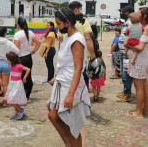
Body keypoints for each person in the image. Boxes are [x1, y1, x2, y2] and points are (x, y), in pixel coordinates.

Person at [48, 8, 91, 147]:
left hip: (71, 86)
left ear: (67, 23)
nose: (57, 26)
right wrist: (57, 77)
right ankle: (69, 144)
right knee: (54, 116)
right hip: (62, 82)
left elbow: (78, 68)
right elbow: (66, 63)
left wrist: (71, 94)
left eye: (59, 24)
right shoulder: (67, 37)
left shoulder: (77, 40)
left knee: (73, 125)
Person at [124, 7, 148, 119]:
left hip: (140, 60)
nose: (136, 14)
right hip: (142, 60)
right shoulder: (143, 27)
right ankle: (146, 109)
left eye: (138, 13)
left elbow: (140, 47)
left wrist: (128, 46)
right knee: (144, 85)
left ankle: (138, 112)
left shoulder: (146, 29)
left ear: (144, 16)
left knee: (139, 87)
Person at [13, 17, 41, 101]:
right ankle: (27, 96)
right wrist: (33, 52)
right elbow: (39, 42)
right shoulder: (30, 33)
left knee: (20, 77)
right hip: (28, 57)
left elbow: (16, 49)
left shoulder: (17, 34)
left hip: (20, 58)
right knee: (28, 76)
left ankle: (21, 95)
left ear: (18, 25)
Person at [4, 51, 30, 120]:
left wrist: (24, 77)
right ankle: (17, 112)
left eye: (8, 60)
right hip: (12, 83)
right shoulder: (11, 66)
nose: (7, 61)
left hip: (17, 84)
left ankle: (20, 110)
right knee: (13, 98)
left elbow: (28, 69)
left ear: (12, 60)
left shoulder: (18, 66)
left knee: (11, 99)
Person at [117, 5, 134, 103]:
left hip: (127, 51)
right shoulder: (126, 22)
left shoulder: (131, 23)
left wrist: (127, 49)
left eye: (124, 12)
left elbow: (130, 37)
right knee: (123, 73)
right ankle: (125, 91)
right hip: (123, 50)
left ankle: (128, 93)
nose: (122, 14)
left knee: (126, 74)